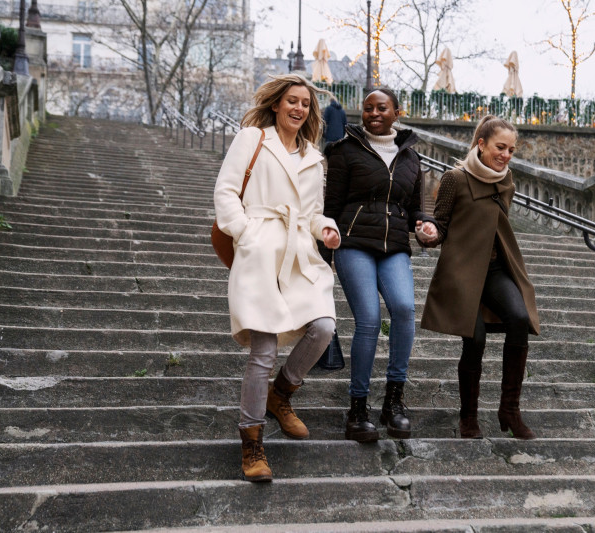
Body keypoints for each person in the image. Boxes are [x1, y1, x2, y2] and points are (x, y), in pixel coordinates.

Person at [213, 74, 341, 482]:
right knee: (264, 351)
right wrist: (245, 232)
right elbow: (225, 191)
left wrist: (326, 229)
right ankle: (251, 443)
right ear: (276, 104)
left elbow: (314, 212)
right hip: (260, 253)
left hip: (300, 254)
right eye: (292, 100)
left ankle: (281, 394)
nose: (299, 108)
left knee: (323, 327)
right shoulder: (252, 138)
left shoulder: (314, 157)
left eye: (305, 103)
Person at [324, 88, 437, 442]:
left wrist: (425, 226)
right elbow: (331, 206)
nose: (373, 113)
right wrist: (323, 257)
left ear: (396, 113)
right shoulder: (344, 151)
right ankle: (357, 408)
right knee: (370, 320)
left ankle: (393, 400)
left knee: (404, 309)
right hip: (354, 243)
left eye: (381, 108)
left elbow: (415, 209)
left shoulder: (411, 157)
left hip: (394, 247)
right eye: (368, 108)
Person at [420, 115, 540, 440]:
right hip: (461, 272)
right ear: (482, 144)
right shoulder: (454, 178)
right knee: (475, 339)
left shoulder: (506, 181)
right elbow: (440, 225)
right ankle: (468, 418)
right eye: (501, 147)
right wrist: (428, 234)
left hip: (495, 269)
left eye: (511, 150)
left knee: (519, 318)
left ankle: (510, 410)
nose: (506, 155)